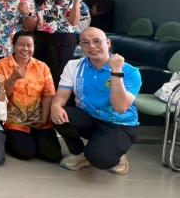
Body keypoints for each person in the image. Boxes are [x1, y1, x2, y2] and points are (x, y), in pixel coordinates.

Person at [51, 27, 141, 174]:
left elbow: (120, 107)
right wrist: (55, 106)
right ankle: (80, 153)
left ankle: (117, 154)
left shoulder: (130, 71)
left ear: (108, 43)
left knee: (99, 159)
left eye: (97, 41)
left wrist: (116, 72)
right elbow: (61, 95)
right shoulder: (74, 66)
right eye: (85, 42)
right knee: (59, 114)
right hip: (90, 118)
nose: (91, 46)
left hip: (119, 124)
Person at [0, 31, 60, 162]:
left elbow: (48, 95)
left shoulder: (42, 67)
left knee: (53, 155)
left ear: (34, 47)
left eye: (29, 45)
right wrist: (13, 78)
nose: (25, 49)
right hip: (14, 120)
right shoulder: (1, 65)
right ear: (13, 45)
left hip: (38, 119)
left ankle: (36, 138)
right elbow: (1, 96)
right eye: (21, 45)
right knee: (26, 152)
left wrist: (44, 119)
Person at [33, 0, 89, 85]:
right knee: (40, 72)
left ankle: (59, 97)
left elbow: (73, 22)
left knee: (59, 73)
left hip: (63, 39)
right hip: (41, 38)